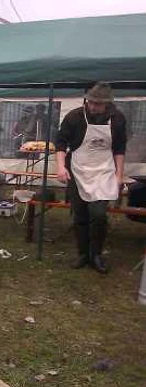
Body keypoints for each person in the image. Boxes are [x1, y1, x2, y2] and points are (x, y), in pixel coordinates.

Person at [56, 82, 126, 274]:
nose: (93, 106)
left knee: (98, 214)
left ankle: (96, 253)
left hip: (103, 171)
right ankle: (82, 254)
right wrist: (61, 166)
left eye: (98, 103)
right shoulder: (75, 117)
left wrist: (119, 175)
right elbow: (60, 142)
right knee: (79, 215)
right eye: (91, 102)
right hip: (78, 170)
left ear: (107, 104)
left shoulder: (117, 119)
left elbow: (119, 149)